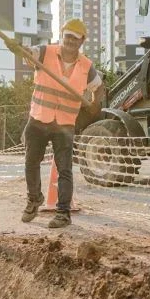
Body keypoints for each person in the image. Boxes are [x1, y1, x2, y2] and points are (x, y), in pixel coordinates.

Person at [16, 19, 102, 228]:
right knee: (31, 163)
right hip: (39, 118)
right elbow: (29, 54)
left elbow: (99, 87)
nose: (71, 41)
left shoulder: (86, 66)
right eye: (68, 36)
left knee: (65, 170)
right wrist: (19, 49)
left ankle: (63, 213)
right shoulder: (45, 52)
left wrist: (95, 104)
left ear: (82, 41)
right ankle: (34, 199)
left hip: (64, 124)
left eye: (76, 38)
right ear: (62, 35)